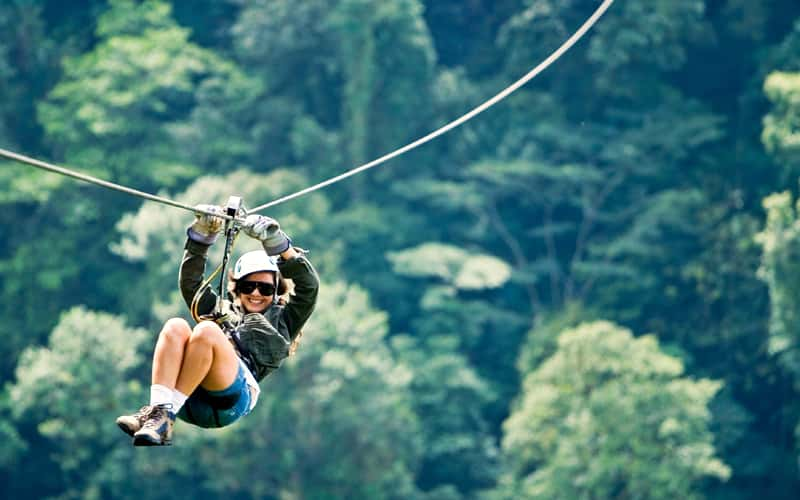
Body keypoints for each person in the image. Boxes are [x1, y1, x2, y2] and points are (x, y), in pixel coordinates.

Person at [115, 205, 319, 446]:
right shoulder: (221, 310)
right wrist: (202, 235)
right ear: (237, 289)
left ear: (275, 292)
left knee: (206, 330)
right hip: (188, 396)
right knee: (175, 326)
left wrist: (278, 243)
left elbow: (309, 287)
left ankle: (164, 417)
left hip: (230, 400)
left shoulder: (285, 320)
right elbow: (191, 283)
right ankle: (158, 411)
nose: (256, 293)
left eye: (264, 288)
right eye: (248, 286)